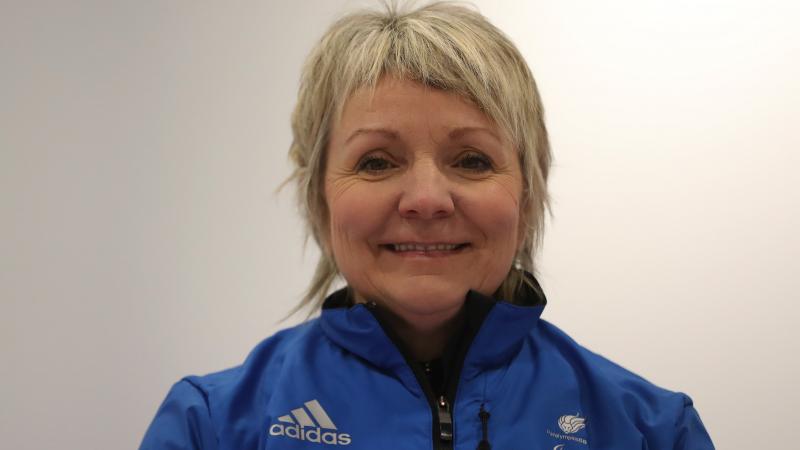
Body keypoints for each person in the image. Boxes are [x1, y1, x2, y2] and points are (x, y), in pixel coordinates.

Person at [140, 2, 714, 449]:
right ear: (320, 197)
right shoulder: (210, 427)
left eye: (472, 160)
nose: (426, 199)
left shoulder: (652, 431)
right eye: (376, 162)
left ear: (528, 195)